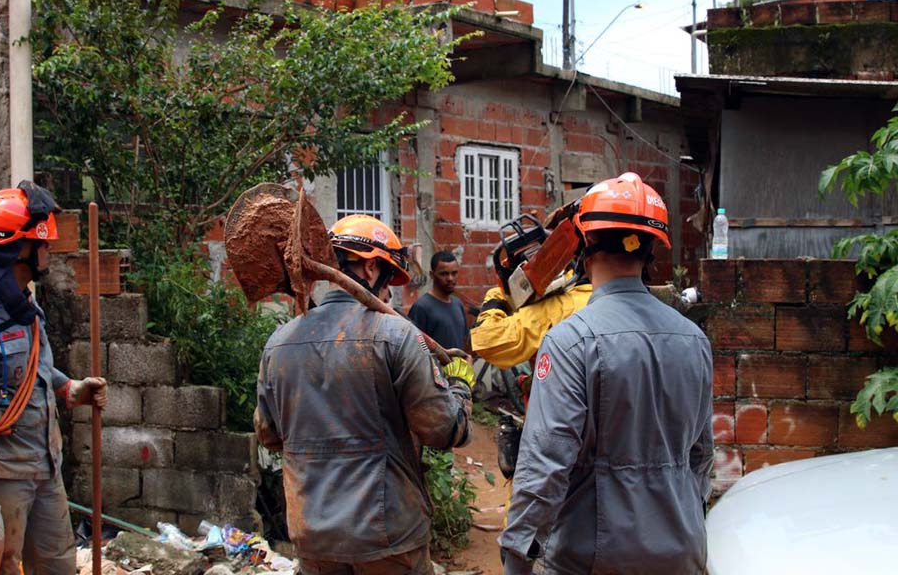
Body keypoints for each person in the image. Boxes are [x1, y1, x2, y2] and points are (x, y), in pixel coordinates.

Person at [499, 172, 714, 575]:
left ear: (584, 243)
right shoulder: (694, 339)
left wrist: (518, 553)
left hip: (593, 557)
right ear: (651, 249)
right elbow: (700, 457)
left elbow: (546, 462)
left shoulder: (571, 341)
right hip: (681, 551)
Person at [254, 215, 474, 575]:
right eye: (389, 281)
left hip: (313, 536)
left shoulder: (279, 343)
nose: (388, 295)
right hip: (387, 537)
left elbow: (268, 434)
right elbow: (443, 430)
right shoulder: (396, 336)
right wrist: (460, 385)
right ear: (371, 267)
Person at [0, 182, 108, 575]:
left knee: (59, 566)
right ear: (16, 249)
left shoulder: (24, 307)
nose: (48, 250)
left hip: (45, 466)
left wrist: (71, 389)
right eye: (41, 243)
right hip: (2, 478)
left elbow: (34, 368)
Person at [408, 251, 470, 352]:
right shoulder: (421, 307)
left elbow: (464, 341)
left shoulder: (458, 304)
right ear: (432, 275)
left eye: (454, 273)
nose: (450, 278)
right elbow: (413, 347)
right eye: (444, 274)